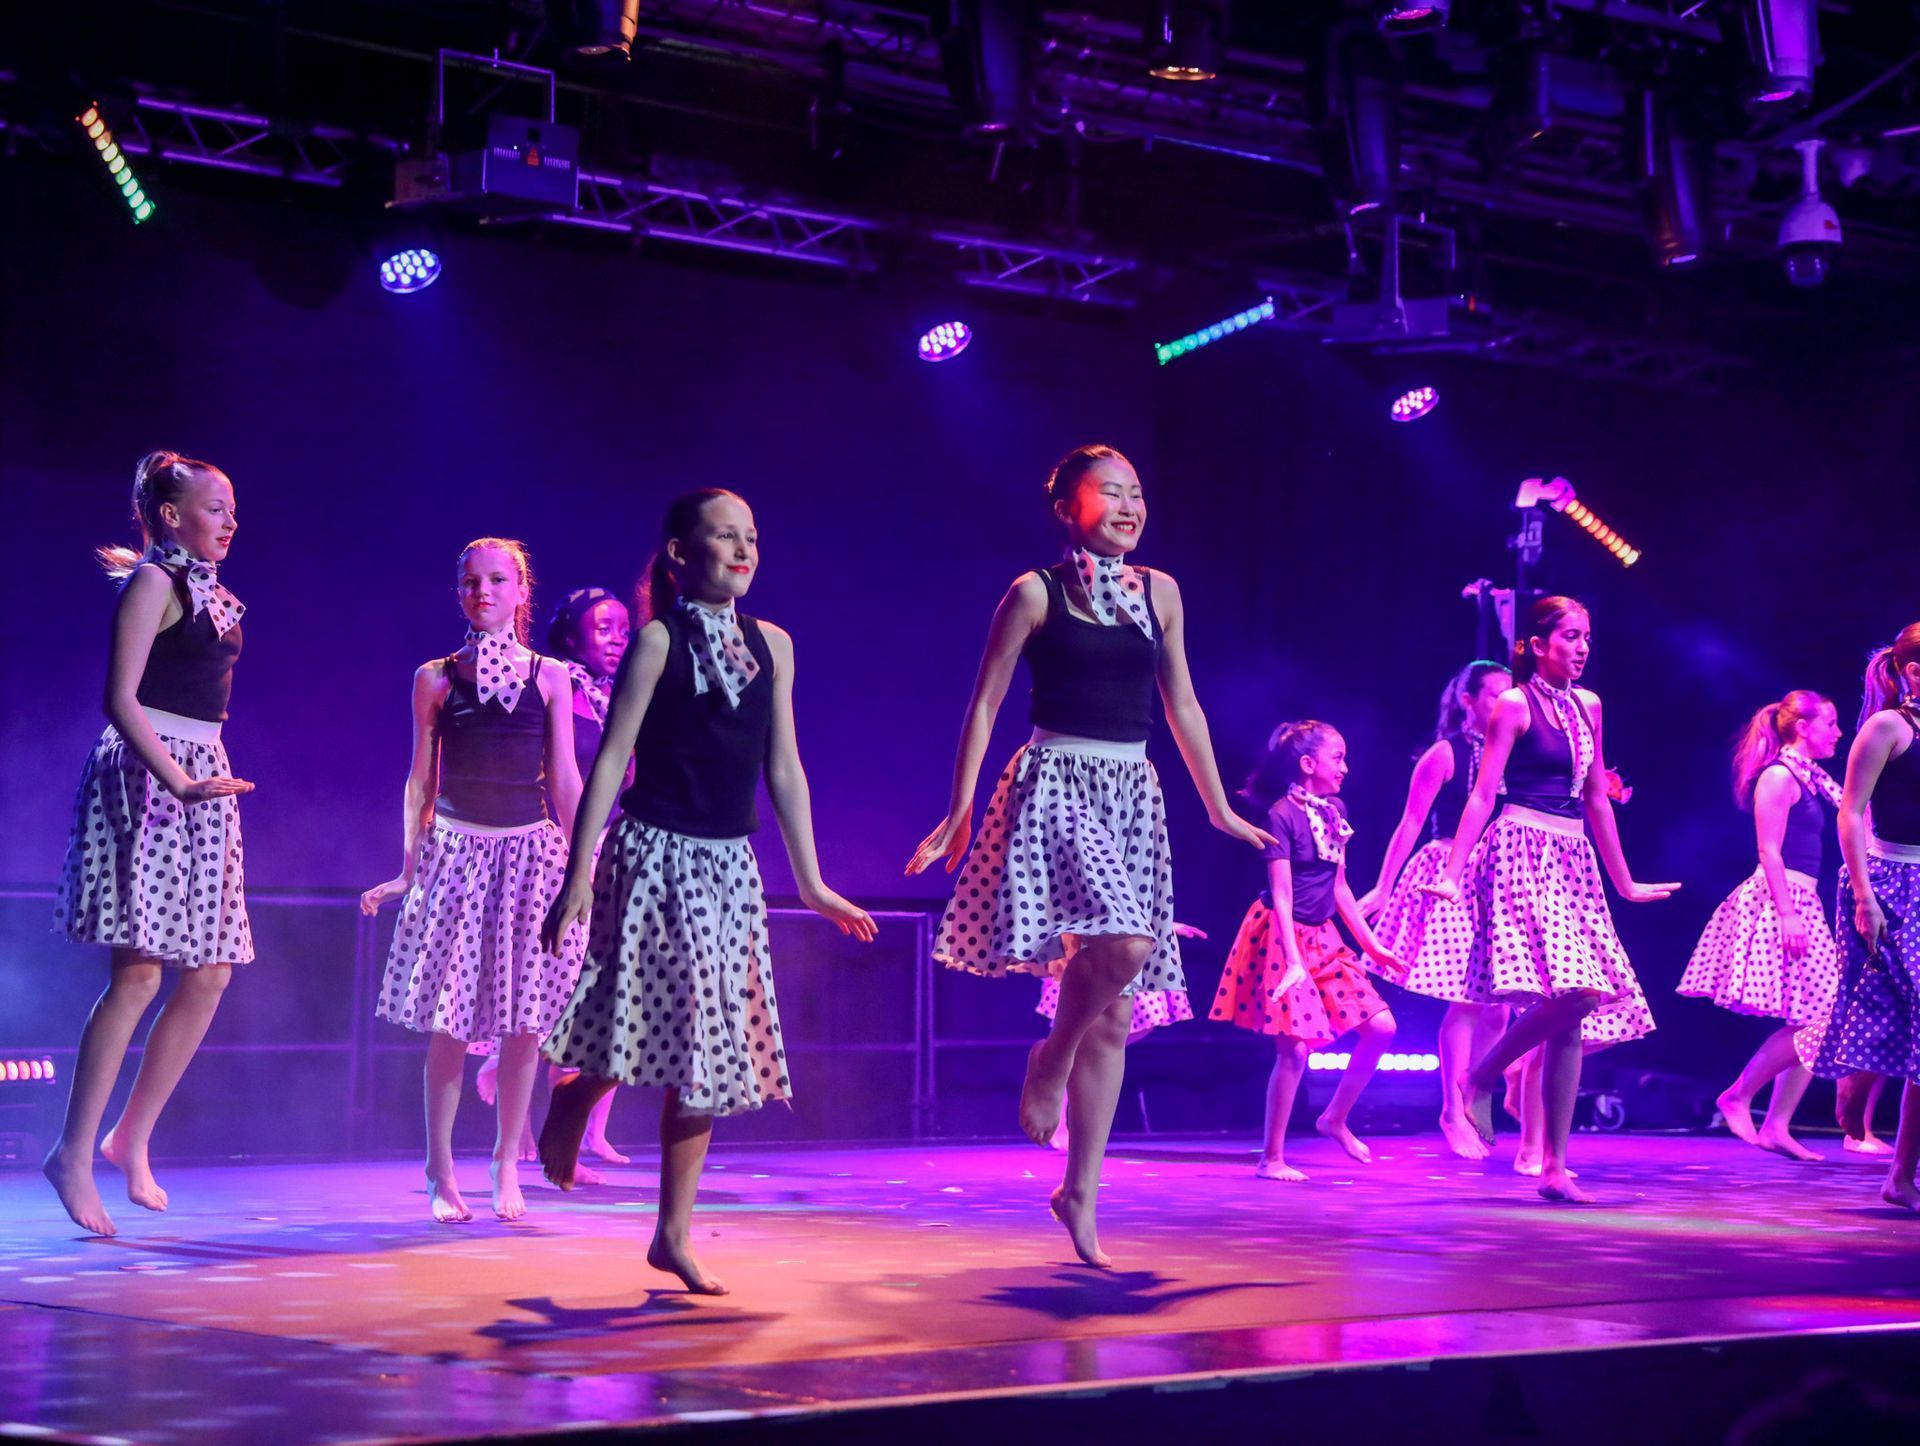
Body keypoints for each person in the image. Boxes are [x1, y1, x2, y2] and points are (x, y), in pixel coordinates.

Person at [907, 443, 1271, 1268]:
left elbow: (1181, 701)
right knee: (1128, 944)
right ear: (1067, 507)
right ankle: (1048, 1059)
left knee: (1115, 1005)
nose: (1130, 506)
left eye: (1138, 492)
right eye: (1110, 493)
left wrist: (1217, 805)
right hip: (1057, 782)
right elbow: (987, 699)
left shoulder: (1162, 593)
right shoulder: (1034, 592)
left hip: (1132, 792)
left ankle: (1080, 1191)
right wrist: (961, 808)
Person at [539, 488, 875, 1294]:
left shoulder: (776, 646)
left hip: (729, 866)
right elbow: (612, 760)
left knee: (709, 1042)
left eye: (751, 536)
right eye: (724, 536)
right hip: (654, 851)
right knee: (656, 1018)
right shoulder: (657, 641)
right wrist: (578, 873)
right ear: (681, 554)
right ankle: (574, 1098)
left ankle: (672, 1234)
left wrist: (814, 882)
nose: (743, 548)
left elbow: (784, 768)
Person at [47, 451, 255, 1237]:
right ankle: (70, 1155)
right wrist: (177, 778)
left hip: (203, 770)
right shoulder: (153, 583)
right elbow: (119, 697)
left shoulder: (209, 590)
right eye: (214, 507)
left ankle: (131, 1132)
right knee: (137, 975)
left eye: (233, 508)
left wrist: (202, 777)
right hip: (150, 773)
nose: (230, 521)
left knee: (210, 972)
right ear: (171, 515)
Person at [361, 538, 585, 1223]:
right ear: (458, 591)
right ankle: (439, 1169)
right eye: (469, 581)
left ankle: (502, 1162)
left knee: (525, 1023)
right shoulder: (435, 676)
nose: (482, 591)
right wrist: (407, 869)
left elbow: (568, 779)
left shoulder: (551, 675)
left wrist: (585, 869)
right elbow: (420, 780)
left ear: (521, 590)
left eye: (497, 580)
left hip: (530, 856)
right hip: (458, 854)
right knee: (449, 1022)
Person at [1424, 596, 1674, 1203]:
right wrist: (1454, 871)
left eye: (1587, 636)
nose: (1582, 646)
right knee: (1574, 994)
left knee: (1574, 1009)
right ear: (1538, 644)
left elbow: (1595, 799)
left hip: (1572, 856)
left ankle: (1553, 1166)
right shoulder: (1513, 704)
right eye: (1569, 635)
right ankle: (1482, 1075)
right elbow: (1482, 795)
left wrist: (1625, 881)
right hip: (1518, 848)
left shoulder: (1589, 706)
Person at [1210, 722, 1408, 1180]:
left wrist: (1372, 945)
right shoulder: (1281, 815)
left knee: (1381, 1027)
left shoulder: (1334, 809)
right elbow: (1280, 894)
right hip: (1280, 936)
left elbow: (1338, 887)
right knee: (1294, 1051)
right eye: (1337, 758)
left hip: (1323, 936)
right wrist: (1293, 960)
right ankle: (1272, 1158)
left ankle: (1334, 1118)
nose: (1345, 767)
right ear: (1308, 764)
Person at [1680, 691, 1845, 1160]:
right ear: (1802, 727)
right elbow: (1768, 850)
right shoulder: (1778, 776)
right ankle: (1738, 1095)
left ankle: (1775, 1124)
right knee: (1823, 1016)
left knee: (1816, 1017)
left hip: (1803, 896)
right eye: (1829, 723)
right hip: (1781, 899)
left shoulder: (1811, 778)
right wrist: (1788, 913)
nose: (1837, 732)